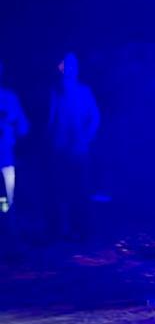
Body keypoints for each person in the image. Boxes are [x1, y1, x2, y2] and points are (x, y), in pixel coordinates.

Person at [47, 53, 100, 240]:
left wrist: (85, 137)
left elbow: (94, 117)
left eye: (70, 65)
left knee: (80, 189)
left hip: (78, 149)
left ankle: (83, 230)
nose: (66, 68)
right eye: (63, 65)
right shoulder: (55, 92)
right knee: (60, 190)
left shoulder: (84, 91)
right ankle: (62, 230)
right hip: (59, 149)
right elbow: (51, 119)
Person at [0, 60, 30, 213]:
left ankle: (8, 223)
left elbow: (23, 126)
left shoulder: (10, 98)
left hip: (7, 157)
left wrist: (12, 126)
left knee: (9, 198)